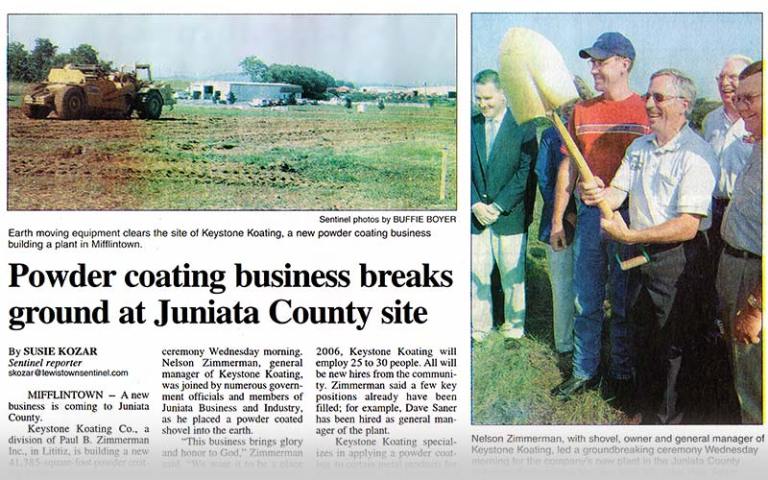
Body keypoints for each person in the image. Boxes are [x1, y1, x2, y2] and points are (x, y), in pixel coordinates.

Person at [580, 69, 718, 424]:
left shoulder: (696, 154)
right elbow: (616, 193)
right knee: (643, 335)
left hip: (675, 260)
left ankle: (667, 423)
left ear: (684, 105)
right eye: (648, 96)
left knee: (673, 345)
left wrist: (630, 238)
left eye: (659, 98)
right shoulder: (639, 147)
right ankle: (645, 408)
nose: (649, 104)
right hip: (638, 255)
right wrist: (596, 193)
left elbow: (688, 226)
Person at [550, 33, 649, 400]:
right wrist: (559, 219)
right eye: (590, 62)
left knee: (623, 301)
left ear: (624, 64)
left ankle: (622, 371)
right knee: (586, 299)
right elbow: (569, 168)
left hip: (628, 218)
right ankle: (584, 370)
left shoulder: (645, 110)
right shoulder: (583, 111)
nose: (593, 68)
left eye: (601, 62)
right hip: (591, 218)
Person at [471, 69, 537, 342]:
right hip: (475, 216)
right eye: (478, 98)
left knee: (512, 277)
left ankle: (514, 326)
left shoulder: (524, 126)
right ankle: (479, 327)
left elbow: (525, 172)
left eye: (488, 98)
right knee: (476, 273)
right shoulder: (470, 125)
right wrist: (474, 203)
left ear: (503, 94)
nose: (482, 104)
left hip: (509, 216)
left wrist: (497, 206)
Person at [716, 60, 762, 424]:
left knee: (754, 378)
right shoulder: (758, 143)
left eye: (749, 99)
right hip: (737, 263)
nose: (740, 106)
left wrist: (755, 308)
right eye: (738, 98)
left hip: (754, 274)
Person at [701, 55, 753, 274]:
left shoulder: (758, 121)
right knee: (708, 271)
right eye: (720, 77)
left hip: (744, 212)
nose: (724, 83)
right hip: (712, 208)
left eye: (733, 77)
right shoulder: (710, 120)